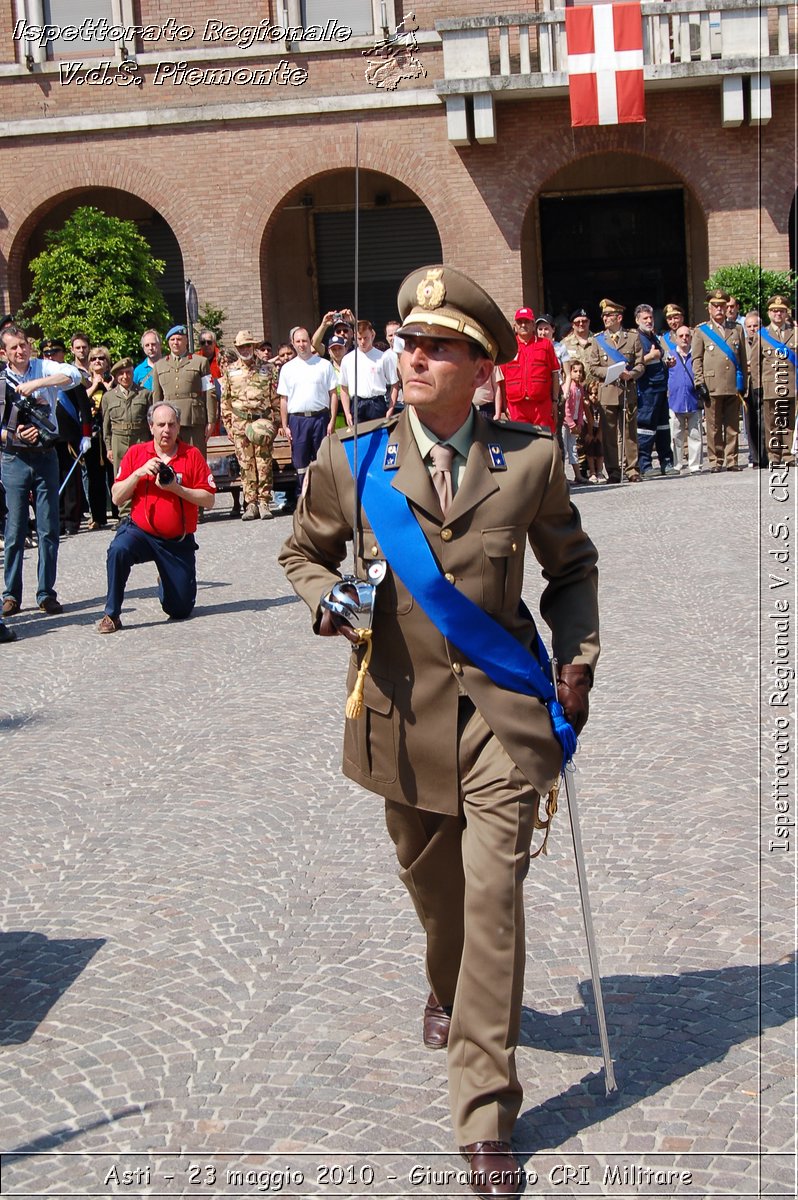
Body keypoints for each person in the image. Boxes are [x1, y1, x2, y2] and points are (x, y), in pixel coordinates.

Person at [279, 265, 599, 1198]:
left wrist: (577, 660)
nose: (412, 357)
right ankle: (446, 984)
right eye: (409, 342)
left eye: (436, 347)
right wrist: (327, 600)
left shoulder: (530, 461)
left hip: (501, 716)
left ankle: (485, 1112)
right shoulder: (354, 458)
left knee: (494, 898)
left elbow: (572, 567)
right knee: (441, 903)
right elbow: (303, 550)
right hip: (398, 720)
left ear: (481, 366)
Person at [97, 402, 216, 633]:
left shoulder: (191, 455)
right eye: (160, 425)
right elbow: (116, 497)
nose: (166, 430)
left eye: (172, 424)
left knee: (180, 610)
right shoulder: (136, 453)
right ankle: (111, 614)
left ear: (179, 427)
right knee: (118, 550)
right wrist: (138, 473)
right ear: (151, 427)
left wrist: (176, 489)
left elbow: (209, 499)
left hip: (176, 541)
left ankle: (166, 581)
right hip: (141, 532)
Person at [0, 325, 83, 620]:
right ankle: (11, 594)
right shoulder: (1, 381)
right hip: (14, 458)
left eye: (23, 345)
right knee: (15, 528)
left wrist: (36, 385)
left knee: (48, 528)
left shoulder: (42, 367)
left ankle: (46, 593)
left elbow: (75, 375)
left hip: (47, 455)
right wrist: (16, 435)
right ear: (4, 353)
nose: (20, 351)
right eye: (13, 348)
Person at [220, 330, 282, 521]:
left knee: (263, 464)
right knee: (246, 465)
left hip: (262, 423)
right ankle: (251, 503)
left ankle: (264, 502)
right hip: (240, 424)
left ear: (254, 347)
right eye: (241, 347)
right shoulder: (230, 371)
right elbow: (226, 401)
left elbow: (276, 399)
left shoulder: (268, 369)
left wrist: (277, 422)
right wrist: (228, 425)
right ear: (237, 348)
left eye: (248, 346)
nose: (245, 349)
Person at [588, 298, 644, 483]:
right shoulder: (598, 340)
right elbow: (593, 368)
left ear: (619, 317)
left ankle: (632, 469)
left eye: (609, 315)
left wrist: (632, 374)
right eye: (604, 316)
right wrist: (612, 373)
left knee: (630, 433)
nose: (605, 318)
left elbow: (641, 364)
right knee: (610, 435)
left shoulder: (633, 337)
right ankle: (613, 470)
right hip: (608, 391)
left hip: (628, 391)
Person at [41, 337, 92, 537]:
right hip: (49, 437)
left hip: (70, 437)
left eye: (55, 352)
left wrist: (86, 435)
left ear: (63, 354)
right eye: (47, 354)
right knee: (52, 479)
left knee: (71, 481)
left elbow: (84, 409)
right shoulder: (42, 376)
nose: (51, 356)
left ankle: (72, 519)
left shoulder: (72, 377)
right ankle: (58, 519)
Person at [277, 326, 337, 493]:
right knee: (301, 462)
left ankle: (324, 497)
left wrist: (331, 420)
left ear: (310, 341)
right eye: (298, 341)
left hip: (321, 418)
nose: (302, 344)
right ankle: (304, 497)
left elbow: (333, 394)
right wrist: (285, 425)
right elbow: (283, 399)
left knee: (322, 460)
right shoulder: (287, 369)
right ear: (293, 344)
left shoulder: (324, 365)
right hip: (298, 421)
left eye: (305, 340)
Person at [692, 288, 747, 472]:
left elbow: (742, 358)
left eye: (722, 306)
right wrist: (699, 382)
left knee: (732, 425)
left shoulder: (737, 329)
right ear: (709, 308)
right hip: (711, 383)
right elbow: (696, 359)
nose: (719, 309)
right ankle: (716, 460)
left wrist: (743, 383)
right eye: (715, 306)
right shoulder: (701, 331)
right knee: (713, 426)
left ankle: (732, 460)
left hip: (732, 383)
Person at [150, 324, 217, 460]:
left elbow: (210, 392)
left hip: (193, 419)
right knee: (170, 458)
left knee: (196, 457)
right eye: (172, 339)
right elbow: (157, 397)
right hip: (168, 421)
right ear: (168, 343)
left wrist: (211, 420)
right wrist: (155, 422)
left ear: (186, 341)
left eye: (179, 339)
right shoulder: (159, 366)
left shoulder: (200, 362)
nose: (176, 342)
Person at [749, 295, 796, 468]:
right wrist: (757, 386)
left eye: (781, 311)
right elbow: (755, 364)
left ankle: (789, 455)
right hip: (770, 385)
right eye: (775, 311)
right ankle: (774, 456)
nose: (778, 314)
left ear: (786, 313)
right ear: (769, 313)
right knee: (772, 424)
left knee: (788, 422)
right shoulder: (762, 335)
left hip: (790, 384)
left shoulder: (794, 333)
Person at [634, 303, 677, 478]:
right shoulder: (636, 338)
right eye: (645, 318)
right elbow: (632, 364)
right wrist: (650, 357)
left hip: (660, 387)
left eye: (650, 317)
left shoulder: (654, 337)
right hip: (646, 389)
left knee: (663, 427)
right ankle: (645, 465)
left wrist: (667, 362)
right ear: (637, 320)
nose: (649, 321)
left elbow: (659, 358)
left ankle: (666, 462)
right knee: (646, 427)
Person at [339, 319, 399, 425]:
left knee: (380, 437)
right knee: (358, 440)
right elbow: (344, 388)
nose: (362, 342)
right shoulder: (348, 359)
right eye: (359, 338)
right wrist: (347, 412)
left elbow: (394, 383)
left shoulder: (383, 357)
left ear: (372, 334)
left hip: (377, 403)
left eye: (365, 338)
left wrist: (391, 408)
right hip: (357, 404)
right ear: (354, 337)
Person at [101, 357, 151, 474]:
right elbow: (106, 425)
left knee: (143, 474)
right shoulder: (109, 397)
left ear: (133, 373)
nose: (125, 376)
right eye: (121, 373)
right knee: (121, 475)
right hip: (119, 441)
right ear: (116, 376)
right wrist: (109, 448)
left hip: (141, 440)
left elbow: (151, 422)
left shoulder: (145, 394)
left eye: (128, 372)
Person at [667, 325, 702, 474]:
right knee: (676, 436)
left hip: (694, 400)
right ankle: (677, 464)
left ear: (691, 337)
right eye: (681, 336)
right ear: (676, 338)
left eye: (687, 335)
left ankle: (695, 465)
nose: (684, 338)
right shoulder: (669, 356)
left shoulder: (697, 356)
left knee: (695, 435)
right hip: (675, 401)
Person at [562, 360, 588, 483]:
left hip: (574, 422)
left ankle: (578, 475)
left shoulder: (580, 388)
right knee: (563, 448)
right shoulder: (567, 387)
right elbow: (565, 408)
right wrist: (571, 424)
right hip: (564, 423)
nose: (578, 374)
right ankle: (561, 476)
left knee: (573, 448)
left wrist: (579, 423)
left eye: (580, 371)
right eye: (575, 371)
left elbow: (580, 407)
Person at [583, 378, 604, 483]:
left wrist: (599, 433)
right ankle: (592, 472)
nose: (593, 397)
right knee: (590, 451)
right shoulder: (587, 405)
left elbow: (602, 421)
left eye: (596, 394)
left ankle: (599, 471)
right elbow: (589, 420)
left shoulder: (601, 406)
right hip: (589, 429)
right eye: (591, 394)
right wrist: (590, 434)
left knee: (600, 451)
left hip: (599, 430)